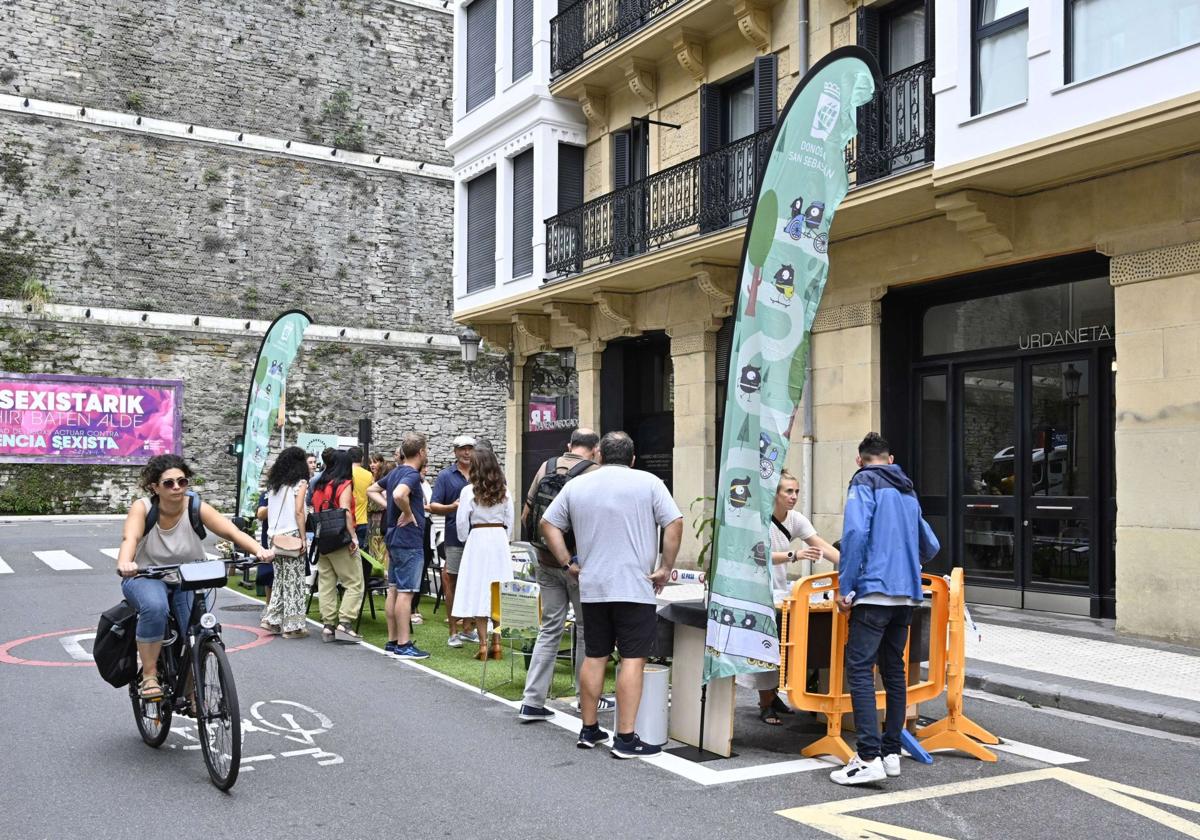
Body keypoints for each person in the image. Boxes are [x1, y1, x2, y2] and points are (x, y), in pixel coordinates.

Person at [541, 431, 683, 758]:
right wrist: (665, 567)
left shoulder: (578, 485)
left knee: (595, 655)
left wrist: (566, 562)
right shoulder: (649, 483)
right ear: (633, 458)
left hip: (593, 585)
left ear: (599, 456)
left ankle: (589, 729)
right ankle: (626, 738)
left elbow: (549, 524)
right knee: (633, 659)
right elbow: (674, 522)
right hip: (635, 585)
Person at [830, 432, 940, 786]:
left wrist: (846, 587)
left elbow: (856, 535)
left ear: (860, 460)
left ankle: (866, 756)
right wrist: (904, 561)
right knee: (894, 671)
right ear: (890, 459)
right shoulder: (907, 489)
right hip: (907, 594)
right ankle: (891, 753)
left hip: (875, 591)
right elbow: (931, 544)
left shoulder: (864, 482)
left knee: (860, 669)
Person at [116, 454, 272, 700]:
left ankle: (191, 690)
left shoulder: (195, 506)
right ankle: (149, 675)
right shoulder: (143, 508)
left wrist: (259, 550)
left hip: (188, 576)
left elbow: (230, 530)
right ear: (155, 487)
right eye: (169, 483)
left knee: (198, 629)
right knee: (155, 607)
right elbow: (131, 538)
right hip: (146, 575)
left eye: (182, 481)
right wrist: (126, 562)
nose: (177, 487)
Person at [737, 469, 840, 725]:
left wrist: (851, 565)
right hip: (757, 589)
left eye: (796, 491)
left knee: (787, 642)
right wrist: (794, 556)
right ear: (776, 493)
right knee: (766, 645)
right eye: (788, 491)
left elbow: (822, 545)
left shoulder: (795, 519)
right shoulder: (759, 518)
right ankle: (765, 703)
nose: (794, 496)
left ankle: (774, 697)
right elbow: (758, 554)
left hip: (780, 590)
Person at [517, 428, 600, 722]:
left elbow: (527, 515)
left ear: (569, 445)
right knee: (585, 630)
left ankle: (532, 701)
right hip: (578, 564)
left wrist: (542, 551)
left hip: (545, 560)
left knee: (550, 628)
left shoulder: (546, 466)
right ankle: (584, 698)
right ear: (595, 449)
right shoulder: (594, 473)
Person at [368, 433, 431, 660]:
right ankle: (404, 644)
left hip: (394, 538)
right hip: (408, 539)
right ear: (421, 452)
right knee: (405, 592)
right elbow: (398, 494)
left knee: (393, 589)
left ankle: (393, 640)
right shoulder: (411, 475)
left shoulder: (394, 472)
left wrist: (391, 509)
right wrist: (406, 512)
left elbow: (371, 490)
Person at [451, 446, 514, 661]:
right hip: (498, 538)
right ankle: (498, 643)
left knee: (479, 589)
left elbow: (461, 523)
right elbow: (510, 521)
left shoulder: (468, 492)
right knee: (498, 588)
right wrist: (504, 539)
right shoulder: (504, 491)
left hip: (477, 539)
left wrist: (466, 540)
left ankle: (484, 644)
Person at [310, 450, 365, 643]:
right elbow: (345, 511)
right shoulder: (344, 484)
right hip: (340, 537)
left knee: (326, 583)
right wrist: (353, 537)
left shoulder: (318, 485)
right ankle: (345, 623)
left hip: (322, 537)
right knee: (354, 582)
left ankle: (328, 625)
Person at [258, 446, 311, 639]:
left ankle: (272, 619)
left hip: (275, 535)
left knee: (279, 580)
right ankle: (293, 626)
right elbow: (299, 511)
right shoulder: (301, 482)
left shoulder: (274, 485)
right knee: (294, 581)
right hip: (292, 534)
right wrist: (303, 537)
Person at [427, 434, 475, 647]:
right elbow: (433, 505)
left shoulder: (480, 473)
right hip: (454, 535)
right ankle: (453, 630)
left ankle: (469, 628)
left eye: (469, 448)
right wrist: (453, 507)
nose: (466, 452)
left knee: (474, 582)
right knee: (452, 581)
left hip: (478, 536)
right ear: (455, 452)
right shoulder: (446, 476)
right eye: (462, 449)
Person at [348, 445, 373, 549]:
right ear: (362, 458)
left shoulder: (346, 473)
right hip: (362, 519)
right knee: (359, 553)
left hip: (348, 519)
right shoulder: (368, 475)